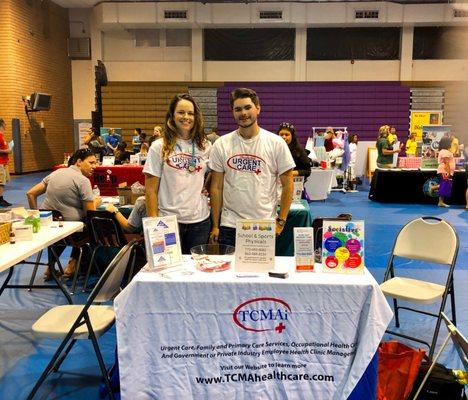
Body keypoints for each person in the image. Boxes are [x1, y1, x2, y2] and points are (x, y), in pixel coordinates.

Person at [209, 88, 295, 247]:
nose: (243, 113)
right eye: (238, 109)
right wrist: (215, 225)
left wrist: (281, 221)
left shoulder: (276, 143)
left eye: (247, 107)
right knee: (230, 271)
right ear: (233, 112)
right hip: (230, 224)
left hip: (263, 224)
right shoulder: (222, 144)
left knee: (262, 272)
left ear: (258, 108)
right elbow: (216, 187)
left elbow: (288, 184)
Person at [143, 93, 212, 254]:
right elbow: (150, 190)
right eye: (181, 112)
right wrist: (154, 221)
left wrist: (206, 185)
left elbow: (216, 174)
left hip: (200, 222)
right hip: (167, 221)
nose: (186, 117)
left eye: (190, 113)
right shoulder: (159, 146)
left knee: (195, 272)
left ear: (196, 117)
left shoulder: (206, 146)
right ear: (172, 116)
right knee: (167, 272)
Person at [26, 148, 101, 279]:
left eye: (96, 163)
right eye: (91, 162)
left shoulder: (55, 173)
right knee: (93, 227)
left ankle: (50, 267)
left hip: (49, 228)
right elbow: (90, 213)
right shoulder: (83, 181)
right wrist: (96, 202)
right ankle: (72, 265)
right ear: (79, 162)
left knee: (60, 232)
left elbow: (31, 193)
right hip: (72, 231)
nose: (95, 166)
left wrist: (35, 217)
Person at [437, 136, 455, 208]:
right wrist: (448, 172)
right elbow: (446, 163)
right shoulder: (445, 152)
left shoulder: (445, 151)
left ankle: (434, 188)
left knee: (444, 185)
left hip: (444, 171)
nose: (451, 144)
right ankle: (440, 202)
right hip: (444, 171)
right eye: (451, 142)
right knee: (444, 186)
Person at [0, 118, 12, 207]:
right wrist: (6, 151)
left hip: (4, 162)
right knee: (1, 182)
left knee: (3, 182)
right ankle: (0, 200)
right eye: (5, 123)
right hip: (0, 163)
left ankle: (1, 198)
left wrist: (7, 149)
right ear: (2, 124)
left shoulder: (2, 136)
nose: (6, 125)